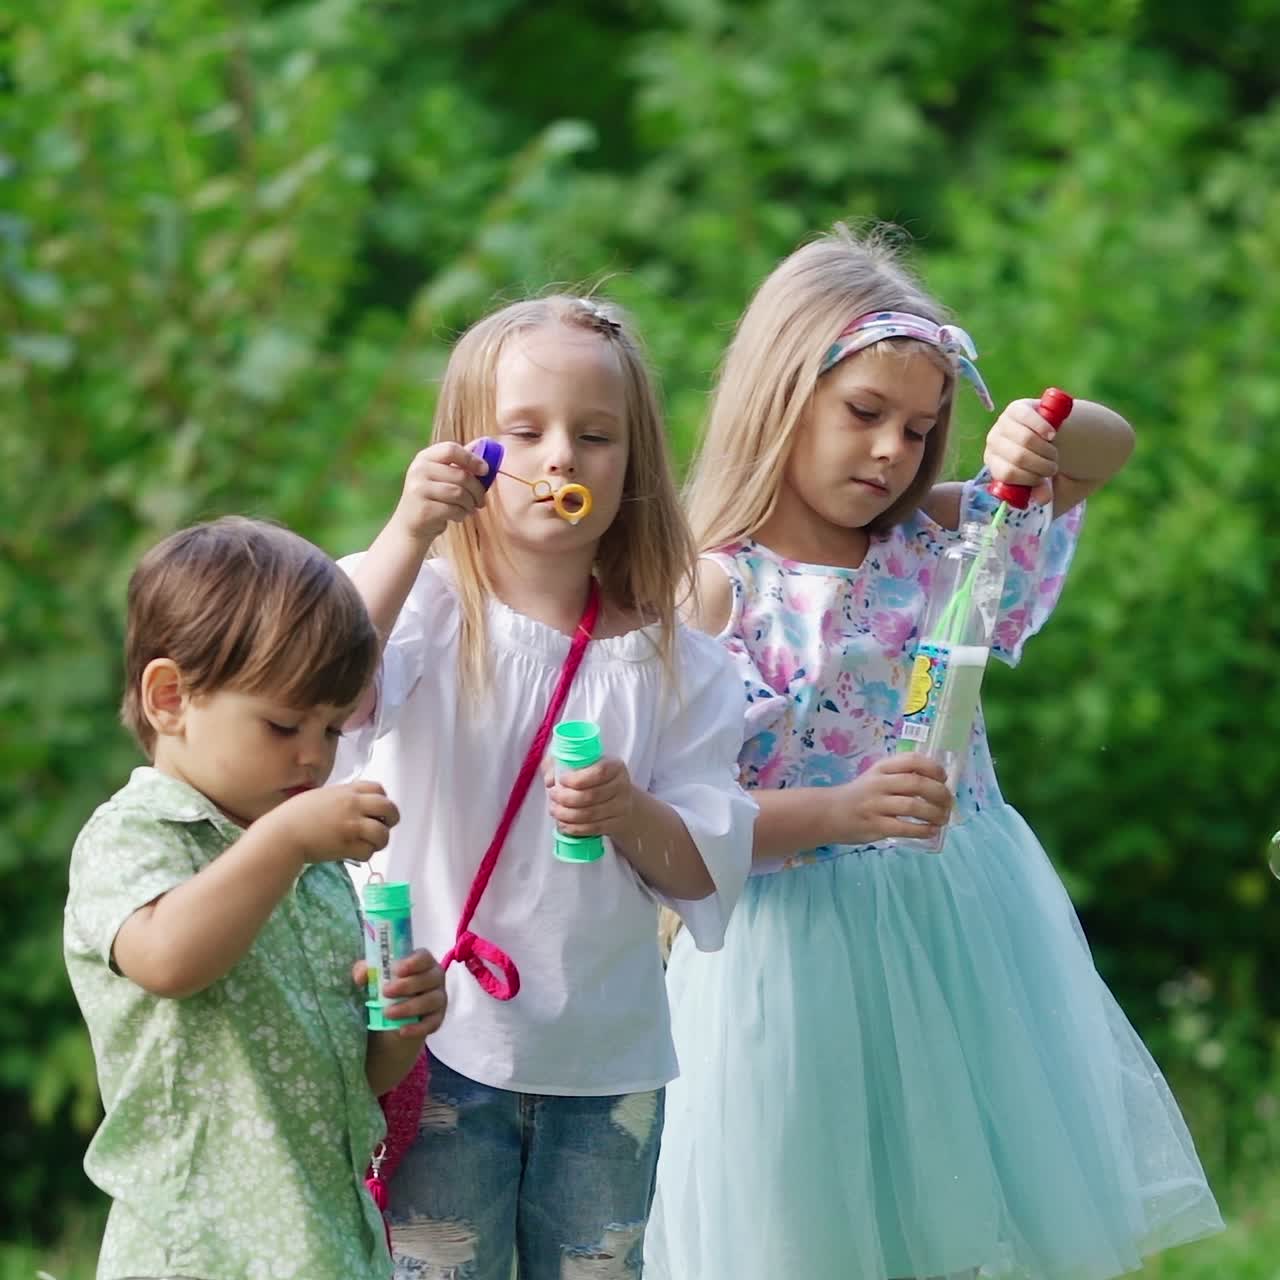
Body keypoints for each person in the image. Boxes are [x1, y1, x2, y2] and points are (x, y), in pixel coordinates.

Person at [645, 227, 1223, 1280]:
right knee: (814, 1227)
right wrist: (839, 811)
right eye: (863, 413)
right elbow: (674, 826)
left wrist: (1030, 432)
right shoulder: (719, 592)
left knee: (971, 1222)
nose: (889, 453)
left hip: (961, 930)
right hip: (793, 956)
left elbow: (1106, 444)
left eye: (918, 430)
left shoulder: (944, 544)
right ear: (781, 394)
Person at [339, 293, 756, 1280]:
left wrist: (627, 811)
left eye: (594, 434)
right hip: (433, 1040)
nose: (560, 456)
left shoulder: (679, 662)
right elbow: (328, 691)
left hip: (604, 1060)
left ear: (635, 466)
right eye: (523, 431)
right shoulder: (425, 608)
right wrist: (408, 529)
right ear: (467, 455)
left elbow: (703, 865)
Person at [64, 516, 446, 1280]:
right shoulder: (136, 836)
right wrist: (286, 843)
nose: (314, 755)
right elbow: (167, 959)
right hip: (199, 1252)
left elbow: (345, 1078)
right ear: (170, 698)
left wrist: (400, 1027)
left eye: (334, 729)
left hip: (327, 1243)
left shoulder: (309, 860)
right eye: (282, 725)